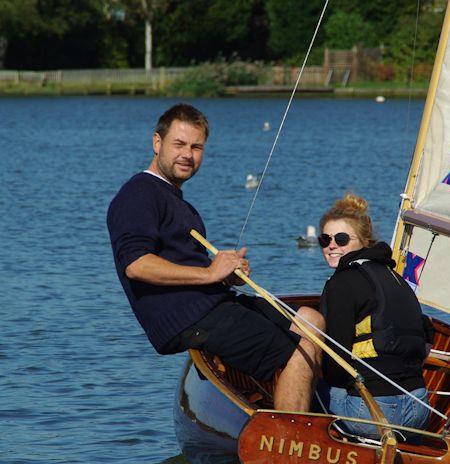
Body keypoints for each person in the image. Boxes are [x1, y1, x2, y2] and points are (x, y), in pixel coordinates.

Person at [107, 103, 322, 412]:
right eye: (179, 144)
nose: (187, 154)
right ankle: (291, 438)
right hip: (187, 318)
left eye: (196, 147)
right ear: (157, 143)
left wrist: (225, 274)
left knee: (311, 320)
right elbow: (136, 264)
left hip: (212, 303)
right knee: (295, 353)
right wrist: (209, 275)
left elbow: (187, 265)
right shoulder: (139, 193)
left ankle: (319, 411)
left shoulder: (181, 204)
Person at [318, 193, 434, 438]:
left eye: (341, 238)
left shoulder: (342, 283)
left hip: (371, 415)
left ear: (364, 240)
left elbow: (336, 364)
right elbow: (426, 330)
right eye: (324, 239)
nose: (331, 245)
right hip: (420, 411)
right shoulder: (396, 278)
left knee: (312, 382)